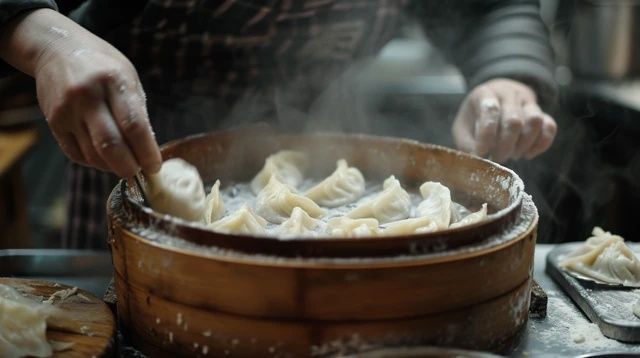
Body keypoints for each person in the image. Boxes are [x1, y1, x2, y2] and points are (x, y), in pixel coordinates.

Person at [0, 0, 557, 248]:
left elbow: (489, 5)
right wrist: (47, 37)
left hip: (321, 126)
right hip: (130, 141)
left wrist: (506, 73)